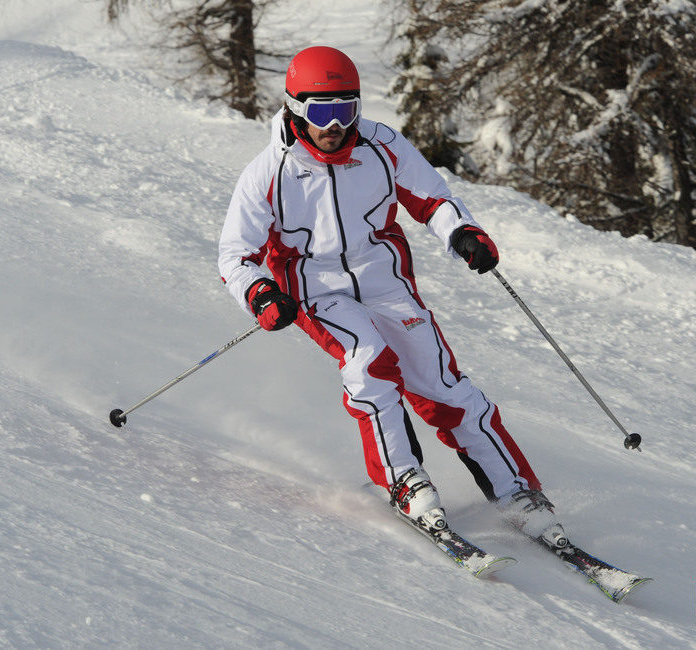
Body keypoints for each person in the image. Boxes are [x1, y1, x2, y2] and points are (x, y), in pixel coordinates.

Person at [217, 46, 567, 551]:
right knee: (369, 360)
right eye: (321, 112)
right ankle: (404, 479)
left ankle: (517, 494)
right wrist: (260, 292)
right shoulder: (268, 172)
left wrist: (462, 233)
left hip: (385, 281)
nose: (335, 124)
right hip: (315, 289)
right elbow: (234, 254)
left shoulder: (382, 147)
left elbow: (433, 199)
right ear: (295, 108)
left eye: (346, 109)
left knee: (444, 385)